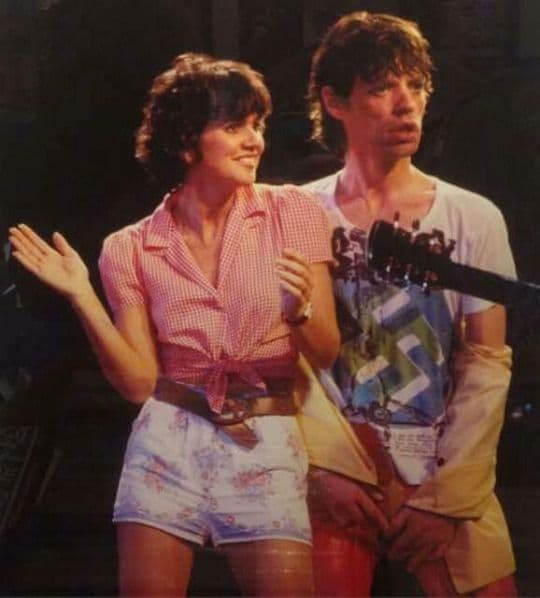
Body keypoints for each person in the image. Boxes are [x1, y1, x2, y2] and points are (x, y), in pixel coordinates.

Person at [9, 52, 340, 596]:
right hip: (166, 443)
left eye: (257, 126)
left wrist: (299, 310)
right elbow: (140, 383)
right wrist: (82, 296)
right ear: (187, 143)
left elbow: (326, 352)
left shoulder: (294, 213)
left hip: (264, 439)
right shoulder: (129, 247)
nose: (254, 141)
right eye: (234, 127)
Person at [297, 11, 517, 597]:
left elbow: (487, 366)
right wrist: (317, 468)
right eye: (381, 88)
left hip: (443, 469)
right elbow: (282, 360)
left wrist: (450, 497)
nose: (406, 104)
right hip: (335, 468)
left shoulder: (473, 216)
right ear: (334, 102)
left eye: (416, 86)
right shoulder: (294, 212)